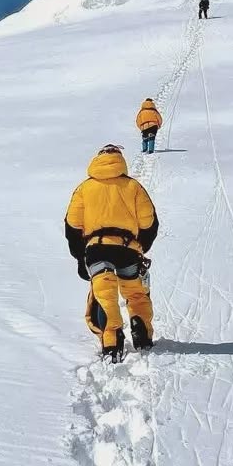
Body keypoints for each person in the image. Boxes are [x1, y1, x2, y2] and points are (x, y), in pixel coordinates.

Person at [65, 145, 158, 361]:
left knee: (104, 293)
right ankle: (141, 330)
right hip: (127, 249)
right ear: (120, 159)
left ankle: (112, 338)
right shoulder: (133, 186)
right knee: (136, 293)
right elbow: (149, 222)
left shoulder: (83, 189)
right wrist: (140, 246)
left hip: (96, 249)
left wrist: (80, 257)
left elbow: (72, 226)